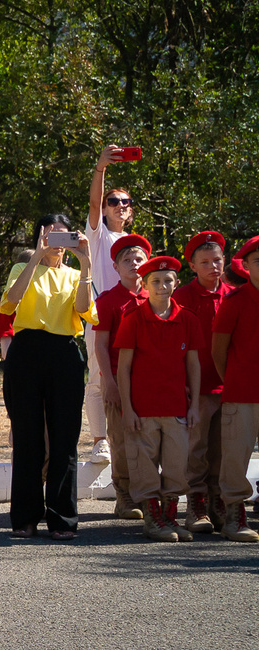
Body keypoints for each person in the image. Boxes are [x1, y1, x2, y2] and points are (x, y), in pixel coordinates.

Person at [0, 216, 95, 539]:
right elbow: (10, 305)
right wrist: (37, 256)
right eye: (49, 234)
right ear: (40, 236)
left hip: (64, 353)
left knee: (65, 438)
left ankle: (62, 518)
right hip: (25, 352)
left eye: (62, 235)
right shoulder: (22, 268)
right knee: (27, 437)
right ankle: (25, 517)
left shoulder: (75, 273)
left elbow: (83, 309)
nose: (56, 240)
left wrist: (86, 262)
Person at [115, 255, 199, 540]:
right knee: (144, 465)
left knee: (177, 465)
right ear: (146, 285)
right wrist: (128, 408)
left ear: (176, 283)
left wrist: (195, 405)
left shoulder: (187, 318)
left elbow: (193, 365)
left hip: (176, 407)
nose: (162, 286)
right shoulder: (133, 318)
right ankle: (153, 519)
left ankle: (170, 517)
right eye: (156, 281)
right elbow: (123, 367)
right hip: (143, 408)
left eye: (168, 281)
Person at [92, 232, 153, 520]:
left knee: (150, 438)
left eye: (139, 258)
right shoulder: (109, 300)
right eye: (126, 260)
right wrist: (110, 383)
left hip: (152, 380)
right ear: (115, 267)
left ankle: (149, 494)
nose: (134, 264)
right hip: (118, 377)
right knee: (121, 438)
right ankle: (125, 495)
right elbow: (101, 346)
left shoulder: (155, 297)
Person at [177, 230, 234, 534]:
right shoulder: (182, 298)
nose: (213, 267)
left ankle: (218, 502)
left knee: (223, 450)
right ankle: (196, 505)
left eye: (217, 260)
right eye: (205, 262)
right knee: (196, 448)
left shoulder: (233, 295)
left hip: (228, 386)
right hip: (197, 388)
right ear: (193, 267)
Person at [84, 145, 137, 460]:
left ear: (131, 211)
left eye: (125, 202)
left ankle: (129, 435)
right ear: (104, 209)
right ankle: (99, 441)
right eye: (113, 201)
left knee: (133, 377)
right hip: (100, 316)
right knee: (97, 378)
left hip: (133, 317)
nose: (119, 206)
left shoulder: (136, 244)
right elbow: (92, 200)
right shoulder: (98, 236)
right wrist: (100, 167)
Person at [205, 235, 259, 541]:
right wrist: (234, 379)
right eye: (258, 261)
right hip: (241, 392)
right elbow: (218, 351)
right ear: (247, 266)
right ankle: (235, 515)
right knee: (235, 457)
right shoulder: (235, 302)